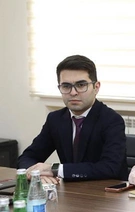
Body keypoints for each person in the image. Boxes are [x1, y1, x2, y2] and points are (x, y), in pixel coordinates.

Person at [18, 55, 128, 183]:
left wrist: (55, 170)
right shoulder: (55, 119)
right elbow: (27, 157)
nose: (73, 92)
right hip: (69, 190)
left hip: (105, 192)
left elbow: (110, 168)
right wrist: (37, 174)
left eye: (81, 85)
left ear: (96, 87)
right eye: (66, 86)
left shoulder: (111, 120)